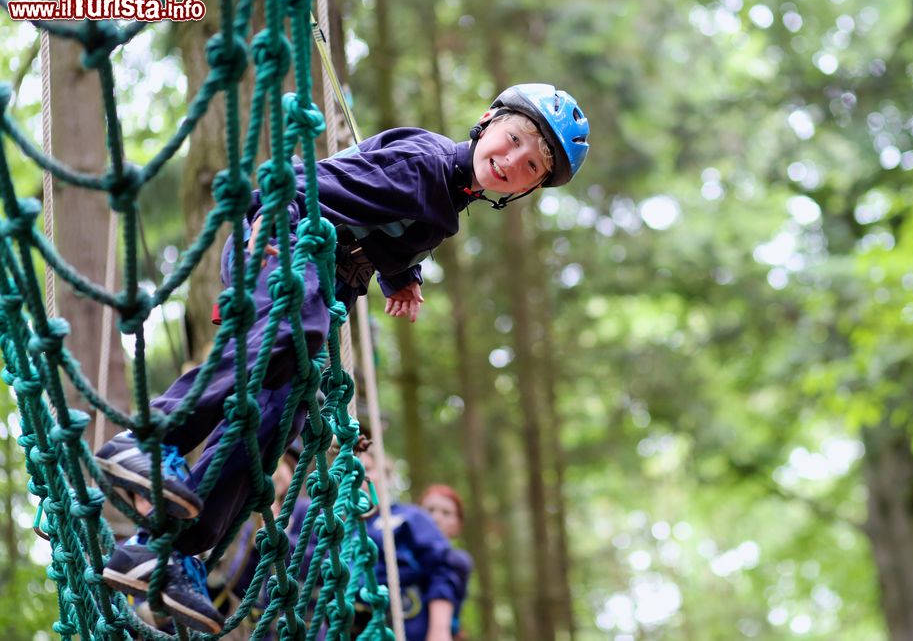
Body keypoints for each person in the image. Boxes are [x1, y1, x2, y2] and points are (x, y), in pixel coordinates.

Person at [94, 83, 590, 634]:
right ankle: (153, 437)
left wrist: (403, 275)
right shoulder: (424, 166)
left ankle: (167, 551)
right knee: (298, 332)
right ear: (488, 120)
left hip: (317, 275)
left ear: (531, 187)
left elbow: (388, 231)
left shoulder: (449, 195)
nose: (512, 160)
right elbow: (307, 186)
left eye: (531, 166)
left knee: (277, 417)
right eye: (514, 138)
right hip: (286, 238)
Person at [353, 453, 463, 641]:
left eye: (368, 469)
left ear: (387, 478)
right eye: (352, 472)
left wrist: (440, 630)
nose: (358, 477)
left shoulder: (410, 518)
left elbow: (441, 569)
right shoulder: (342, 530)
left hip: (405, 626)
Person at [419, 485, 473, 640]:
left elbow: (442, 589)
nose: (436, 518)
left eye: (446, 513)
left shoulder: (455, 561)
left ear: (458, 525)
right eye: (430, 510)